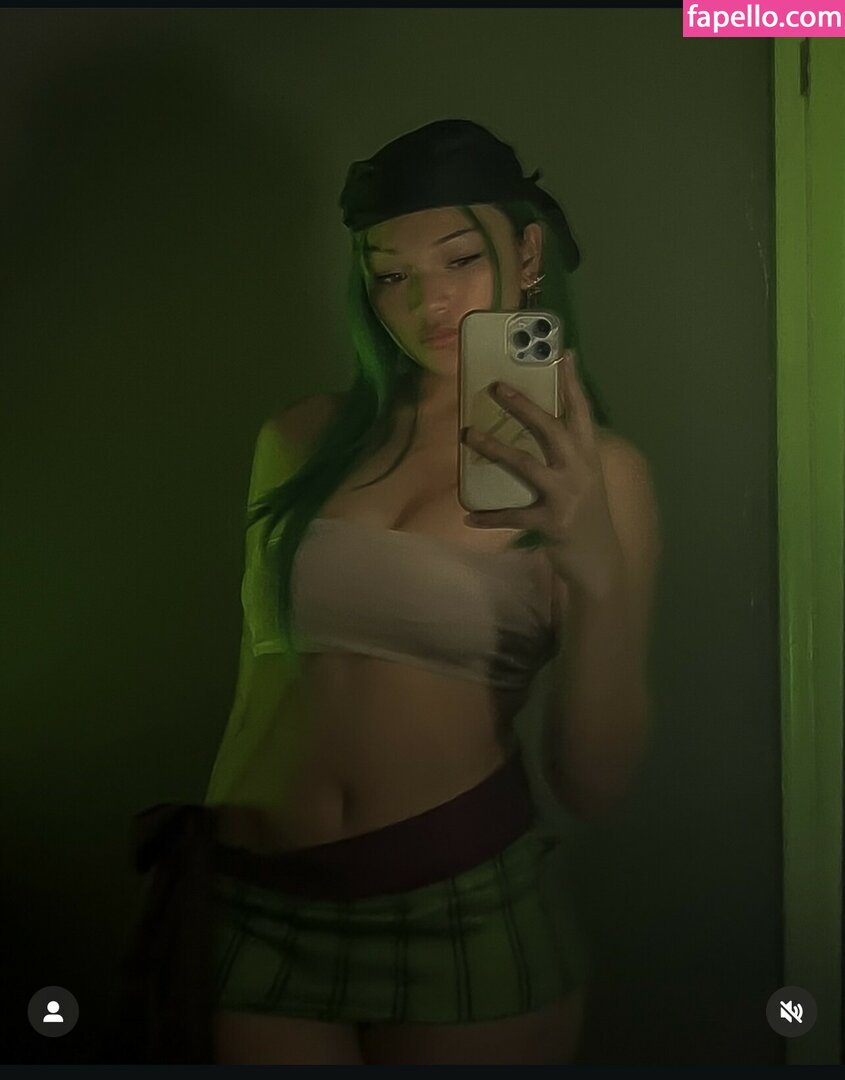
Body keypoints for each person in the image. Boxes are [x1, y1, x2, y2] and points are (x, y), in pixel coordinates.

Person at [111, 118, 660, 1066]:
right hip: (255, 901)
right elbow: (258, 686)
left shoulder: (599, 476)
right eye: (389, 273)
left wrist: (596, 568)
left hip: (454, 906)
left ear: (527, 253)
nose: (426, 301)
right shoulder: (299, 440)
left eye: (459, 259)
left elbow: (594, 785)